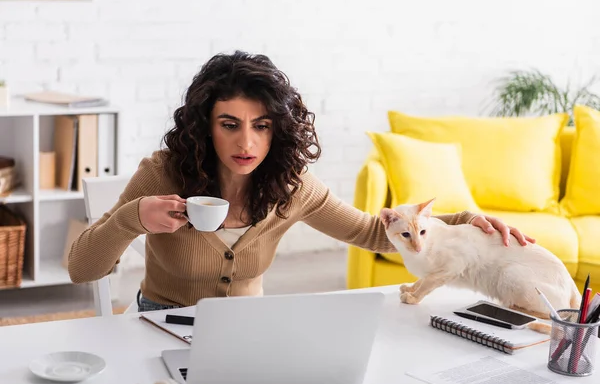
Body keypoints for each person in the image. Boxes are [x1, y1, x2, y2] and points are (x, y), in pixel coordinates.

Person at [68, 51, 535, 312]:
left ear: (279, 129)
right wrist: (134, 218)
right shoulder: (162, 172)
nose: (246, 141)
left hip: (251, 330)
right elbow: (81, 269)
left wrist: (467, 223)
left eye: (263, 125)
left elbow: (376, 233)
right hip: (162, 323)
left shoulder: (292, 186)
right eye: (229, 124)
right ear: (203, 125)